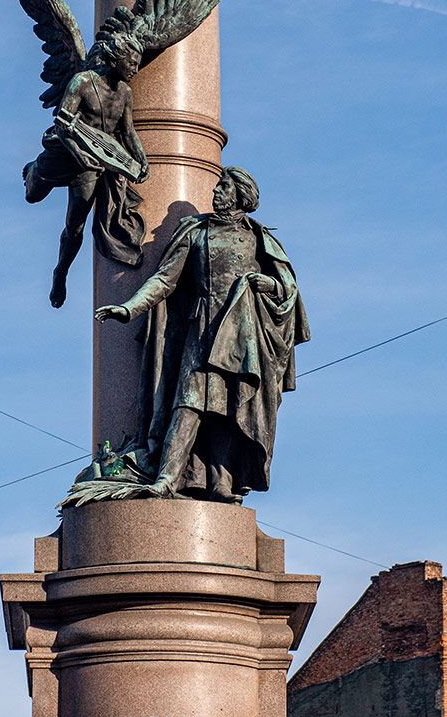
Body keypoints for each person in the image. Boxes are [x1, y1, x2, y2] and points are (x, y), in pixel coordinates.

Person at [95, 166, 307, 502]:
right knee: (188, 403)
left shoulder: (258, 238)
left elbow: (288, 290)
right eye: (218, 186)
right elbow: (165, 279)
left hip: (240, 336)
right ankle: (167, 478)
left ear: (241, 195)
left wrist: (266, 284)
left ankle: (220, 484)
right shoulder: (195, 231)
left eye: (224, 187)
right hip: (201, 329)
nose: (216, 191)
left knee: (228, 408)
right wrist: (129, 307)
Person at [24, 37, 149, 309]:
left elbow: (128, 131)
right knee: (32, 195)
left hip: (93, 161)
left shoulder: (125, 93)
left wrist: (141, 160)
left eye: (138, 63)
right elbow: (62, 123)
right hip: (66, 150)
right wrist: (78, 153)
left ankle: (61, 272)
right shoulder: (82, 82)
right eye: (131, 62)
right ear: (115, 59)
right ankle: (34, 169)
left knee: (75, 225)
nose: (135, 69)